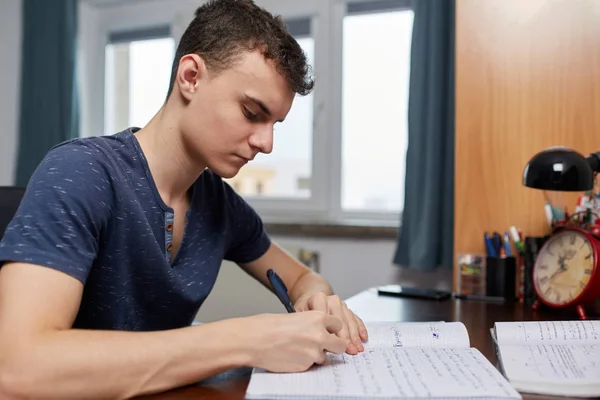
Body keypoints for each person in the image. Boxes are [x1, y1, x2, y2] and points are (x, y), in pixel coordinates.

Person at [0, 0, 369, 399]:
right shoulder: (82, 172)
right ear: (190, 77)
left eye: (274, 124)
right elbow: (19, 368)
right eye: (251, 112)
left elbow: (300, 277)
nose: (266, 143)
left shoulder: (220, 204)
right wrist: (245, 339)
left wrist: (317, 297)